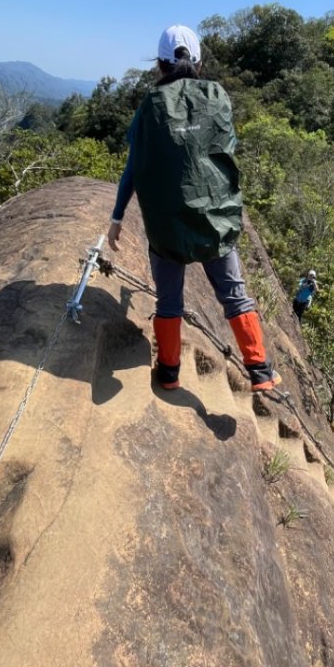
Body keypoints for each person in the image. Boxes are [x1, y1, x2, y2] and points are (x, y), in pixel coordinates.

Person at [107, 24, 281, 394]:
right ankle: (260, 370)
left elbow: (133, 168)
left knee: (169, 300)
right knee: (234, 293)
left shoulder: (149, 107)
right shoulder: (217, 97)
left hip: (167, 225)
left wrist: (118, 217)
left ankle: (169, 372)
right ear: (198, 62)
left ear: (160, 64)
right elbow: (224, 150)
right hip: (214, 218)